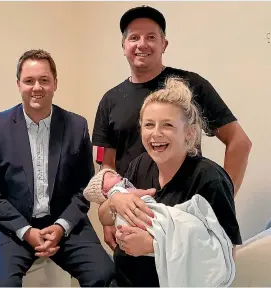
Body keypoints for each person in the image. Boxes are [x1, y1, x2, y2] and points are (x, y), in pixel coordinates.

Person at [92, 5, 251, 250]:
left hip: (183, 215)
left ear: (164, 44)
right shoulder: (110, 100)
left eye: (151, 37)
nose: (142, 44)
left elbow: (239, 142)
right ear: (123, 46)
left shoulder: (192, 85)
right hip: (134, 217)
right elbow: (108, 166)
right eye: (134, 37)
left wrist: (219, 200)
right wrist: (111, 217)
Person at [0, 49, 115, 287]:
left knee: (105, 274)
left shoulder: (76, 125)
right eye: (29, 81)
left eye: (44, 80)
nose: (37, 87)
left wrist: (62, 227)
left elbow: (84, 187)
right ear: (18, 84)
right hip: (11, 225)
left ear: (55, 84)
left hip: (63, 221)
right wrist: (26, 231)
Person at [97, 77, 242, 286]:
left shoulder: (209, 179)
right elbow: (104, 217)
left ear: (189, 133)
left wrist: (155, 246)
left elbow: (225, 256)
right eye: (149, 124)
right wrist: (115, 201)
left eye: (167, 125)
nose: (156, 133)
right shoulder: (140, 164)